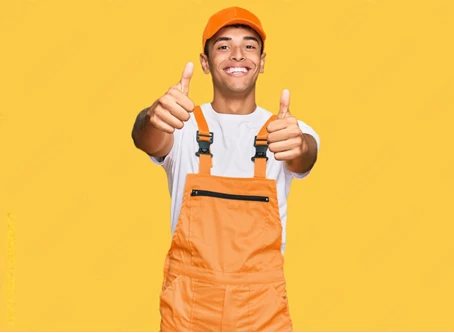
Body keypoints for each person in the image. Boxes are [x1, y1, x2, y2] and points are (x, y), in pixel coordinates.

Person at [131, 6, 320, 332]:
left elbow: (305, 156)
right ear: (205, 62)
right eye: (223, 46)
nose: (237, 55)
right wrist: (151, 116)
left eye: (249, 46)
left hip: (263, 312)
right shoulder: (181, 123)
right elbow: (145, 137)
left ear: (261, 62)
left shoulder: (285, 130)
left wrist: (302, 146)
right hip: (187, 312)